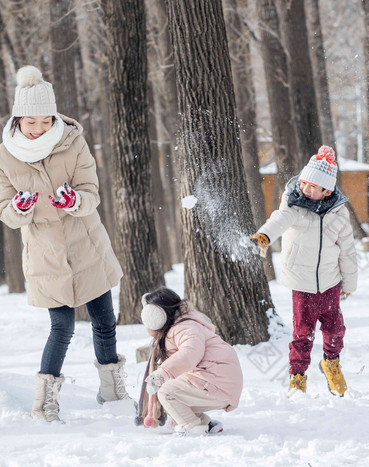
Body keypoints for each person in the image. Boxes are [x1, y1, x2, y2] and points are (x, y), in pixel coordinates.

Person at [0, 66, 127, 422]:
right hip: (47, 254)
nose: (38, 128)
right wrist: (19, 209)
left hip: (85, 244)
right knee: (62, 327)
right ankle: (46, 402)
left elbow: (91, 192)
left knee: (104, 320)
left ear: (54, 116)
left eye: (44, 120)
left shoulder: (72, 141)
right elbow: (5, 209)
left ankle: (113, 391)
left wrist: (75, 202)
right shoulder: (5, 154)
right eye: (31, 122)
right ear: (18, 120)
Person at [250, 145, 357, 396]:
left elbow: (348, 252)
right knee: (302, 333)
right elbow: (279, 220)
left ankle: (331, 363)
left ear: (326, 190)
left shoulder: (339, 214)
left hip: (330, 282)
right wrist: (265, 236)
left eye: (313, 186)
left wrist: (349, 284)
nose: (306, 188)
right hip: (302, 283)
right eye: (305, 183)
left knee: (335, 329)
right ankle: (297, 377)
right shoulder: (293, 204)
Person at [142, 287, 243, 435]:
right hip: (217, 381)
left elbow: (190, 353)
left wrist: (163, 373)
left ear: (155, 317)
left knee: (167, 393)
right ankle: (205, 424)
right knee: (176, 398)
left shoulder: (185, 328)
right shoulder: (183, 326)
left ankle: (193, 428)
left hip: (217, 382)